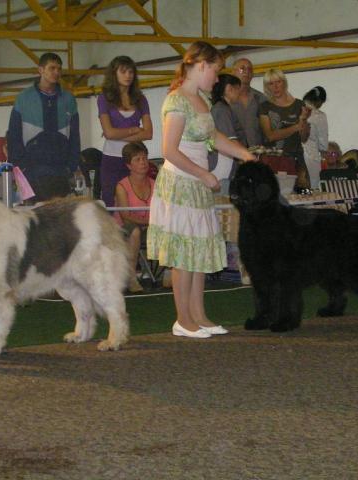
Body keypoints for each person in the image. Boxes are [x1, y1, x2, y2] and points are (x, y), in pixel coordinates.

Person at [147, 41, 255, 339]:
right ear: (201, 65)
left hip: (196, 185)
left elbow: (214, 137)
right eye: (216, 71)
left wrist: (243, 153)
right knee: (184, 255)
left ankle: (199, 315)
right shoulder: (176, 100)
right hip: (180, 184)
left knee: (197, 253)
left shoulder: (202, 100)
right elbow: (168, 150)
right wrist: (203, 174)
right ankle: (183, 319)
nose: (218, 78)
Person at [7, 52, 81, 202]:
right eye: (52, 68)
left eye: (59, 69)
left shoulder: (68, 99)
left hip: (61, 172)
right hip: (32, 172)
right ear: (40, 70)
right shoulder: (23, 99)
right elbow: (13, 136)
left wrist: (72, 167)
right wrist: (20, 167)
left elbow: (75, 136)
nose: (56, 72)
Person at [97, 56, 153, 207]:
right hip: (111, 159)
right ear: (114, 74)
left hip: (135, 158)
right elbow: (109, 133)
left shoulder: (141, 99)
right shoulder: (104, 98)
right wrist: (134, 130)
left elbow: (148, 133)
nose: (128, 75)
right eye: (123, 72)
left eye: (131, 72)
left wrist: (117, 134)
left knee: (136, 201)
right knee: (111, 201)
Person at [259, 68, 311, 191]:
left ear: (284, 83)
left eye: (278, 82)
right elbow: (270, 136)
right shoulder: (264, 107)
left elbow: (303, 138)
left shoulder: (299, 104)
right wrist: (296, 126)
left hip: (296, 158)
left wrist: (303, 120)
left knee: (303, 196)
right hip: (274, 160)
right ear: (267, 87)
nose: (275, 87)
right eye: (271, 84)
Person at [114, 142, 154, 294]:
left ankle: (171, 272)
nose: (143, 162)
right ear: (129, 165)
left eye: (145, 158)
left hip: (150, 226)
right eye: (137, 159)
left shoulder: (155, 184)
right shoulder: (121, 186)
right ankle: (131, 276)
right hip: (124, 229)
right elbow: (126, 217)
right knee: (134, 231)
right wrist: (150, 222)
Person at [208, 73, 243, 193]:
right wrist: (247, 156)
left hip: (225, 166)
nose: (240, 93)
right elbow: (231, 140)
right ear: (229, 89)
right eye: (238, 89)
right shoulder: (221, 110)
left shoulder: (222, 109)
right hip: (221, 168)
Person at [230, 58, 267, 147]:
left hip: (257, 152)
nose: (247, 72)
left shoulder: (261, 98)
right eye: (242, 68)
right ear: (233, 72)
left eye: (250, 69)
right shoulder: (225, 99)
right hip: (232, 153)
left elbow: (266, 130)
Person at [302, 86, 329, 188]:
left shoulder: (296, 108)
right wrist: (324, 157)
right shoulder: (319, 116)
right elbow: (323, 141)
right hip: (310, 156)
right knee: (314, 188)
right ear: (319, 101)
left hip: (293, 155)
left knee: (298, 188)